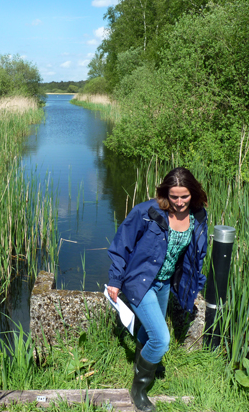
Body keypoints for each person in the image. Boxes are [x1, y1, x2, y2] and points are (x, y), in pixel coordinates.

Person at [106, 167, 208, 412]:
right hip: (139, 282)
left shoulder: (199, 216)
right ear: (165, 193)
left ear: (192, 193)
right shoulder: (147, 212)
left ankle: (144, 362)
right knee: (161, 340)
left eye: (184, 196)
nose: (180, 202)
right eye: (174, 196)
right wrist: (115, 280)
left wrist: (193, 283)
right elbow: (122, 244)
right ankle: (139, 388)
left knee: (151, 331)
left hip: (164, 283)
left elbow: (197, 254)